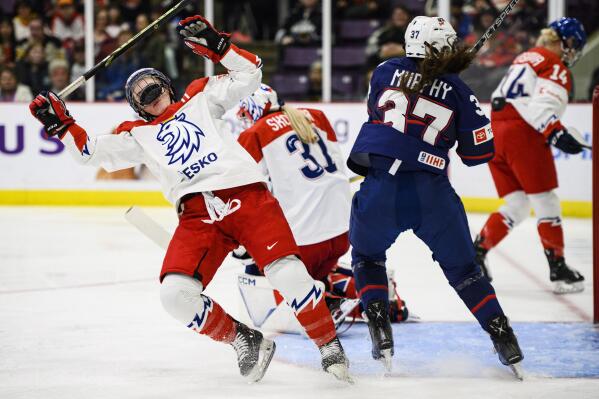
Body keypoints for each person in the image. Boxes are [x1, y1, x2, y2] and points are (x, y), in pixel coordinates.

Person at [28, 15, 351, 383]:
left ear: (166, 84)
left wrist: (220, 47)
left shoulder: (199, 95)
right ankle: (243, 339)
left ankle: (327, 343)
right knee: (174, 295)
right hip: (197, 216)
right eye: (138, 91)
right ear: (135, 106)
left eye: (151, 82)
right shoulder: (137, 134)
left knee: (288, 273)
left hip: (246, 196)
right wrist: (62, 125)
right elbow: (90, 152)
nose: (146, 89)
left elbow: (251, 76)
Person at [347, 16, 523, 377]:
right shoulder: (460, 90)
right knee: (465, 272)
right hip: (432, 194)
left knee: (367, 258)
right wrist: (455, 88)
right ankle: (504, 338)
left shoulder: (382, 71)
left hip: (383, 188)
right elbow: (478, 156)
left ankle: (380, 331)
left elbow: (378, 115)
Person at [234, 84, 409, 329]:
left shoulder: (253, 135)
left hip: (307, 240)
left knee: (256, 272)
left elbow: (247, 199)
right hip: (342, 233)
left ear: (252, 111)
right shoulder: (316, 116)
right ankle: (373, 294)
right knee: (314, 272)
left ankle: (327, 305)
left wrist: (244, 243)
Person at [473, 18, 587, 294]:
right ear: (562, 42)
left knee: (517, 204)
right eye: (571, 45)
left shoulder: (525, 58)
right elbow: (542, 104)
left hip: (495, 131)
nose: (571, 52)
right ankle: (558, 269)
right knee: (546, 201)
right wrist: (554, 131)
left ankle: (476, 253)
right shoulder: (554, 64)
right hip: (522, 133)